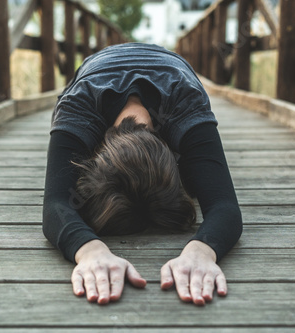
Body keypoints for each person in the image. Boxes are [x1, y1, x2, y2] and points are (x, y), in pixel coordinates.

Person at [43, 43, 242, 306]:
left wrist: (202, 252)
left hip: (172, 67)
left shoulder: (185, 102)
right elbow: (55, 205)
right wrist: (90, 250)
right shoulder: (78, 106)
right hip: (98, 66)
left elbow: (225, 206)